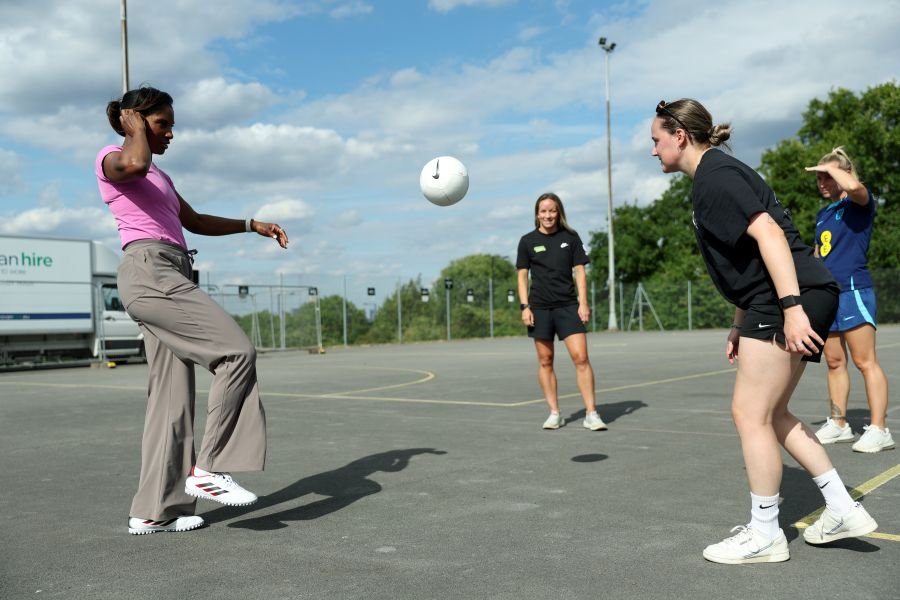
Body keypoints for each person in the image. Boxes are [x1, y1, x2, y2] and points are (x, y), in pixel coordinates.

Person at [650, 99, 877, 564]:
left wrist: (791, 308)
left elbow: (770, 235)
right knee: (772, 414)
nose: (653, 151)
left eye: (656, 140)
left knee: (748, 414)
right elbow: (745, 263)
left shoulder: (714, 176)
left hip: (786, 296)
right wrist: (740, 322)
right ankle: (841, 507)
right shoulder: (717, 173)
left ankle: (765, 533)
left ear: (679, 135)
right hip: (783, 295)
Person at [96, 86, 289, 535]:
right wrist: (135, 131)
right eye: (163, 124)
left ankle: (152, 510)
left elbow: (195, 221)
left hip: (171, 272)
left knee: (170, 402)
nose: (171, 133)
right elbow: (135, 162)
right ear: (136, 121)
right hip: (151, 272)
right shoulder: (112, 158)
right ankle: (212, 467)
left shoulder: (159, 177)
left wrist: (250, 225)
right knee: (237, 352)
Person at [807, 148, 894, 453]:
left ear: (842, 174)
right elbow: (819, 255)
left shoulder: (859, 203)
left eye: (826, 176)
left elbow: (855, 188)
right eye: (818, 178)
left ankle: (880, 429)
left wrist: (839, 171)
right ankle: (839, 423)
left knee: (864, 361)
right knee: (834, 361)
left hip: (854, 291)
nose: (821, 182)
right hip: (829, 295)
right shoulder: (823, 214)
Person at [516, 192, 607, 432]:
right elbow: (522, 275)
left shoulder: (571, 237)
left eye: (552, 210)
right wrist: (525, 306)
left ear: (559, 213)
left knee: (581, 358)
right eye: (543, 211)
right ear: (537, 214)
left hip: (568, 306)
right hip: (540, 308)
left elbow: (580, 272)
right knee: (545, 361)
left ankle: (591, 413)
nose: (548, 215)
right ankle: (554, 413)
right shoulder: (527, 241)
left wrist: (583, 302)